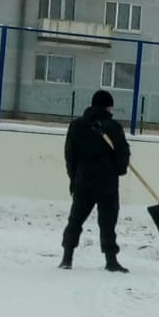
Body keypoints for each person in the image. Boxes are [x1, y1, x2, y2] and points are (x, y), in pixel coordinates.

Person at [60, 89, 131, 272]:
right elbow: (123, 153)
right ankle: (111, 260)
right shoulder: (113, 127)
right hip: (107, 180)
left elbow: (70, 154)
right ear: (108, 106)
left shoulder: (76, 126)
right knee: (108, 221)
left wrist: (74, 177)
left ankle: (67, 257)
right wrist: (119, 169)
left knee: (75, 219)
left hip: (83, 178)